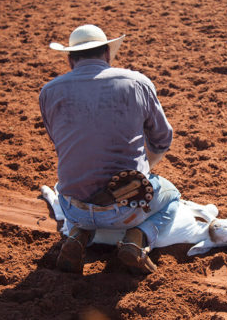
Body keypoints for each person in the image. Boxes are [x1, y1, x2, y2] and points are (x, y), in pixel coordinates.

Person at [39, 24, 180, 274]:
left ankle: (78, 235)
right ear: (107, 54)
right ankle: (137, 237)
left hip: (73, 205)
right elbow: (162, 139)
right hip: (125, 209)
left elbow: (59, 142)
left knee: (76, 189)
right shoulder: (136, 82)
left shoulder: (49, 91)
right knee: (172, 195)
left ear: (70, 59)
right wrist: (142, 171)